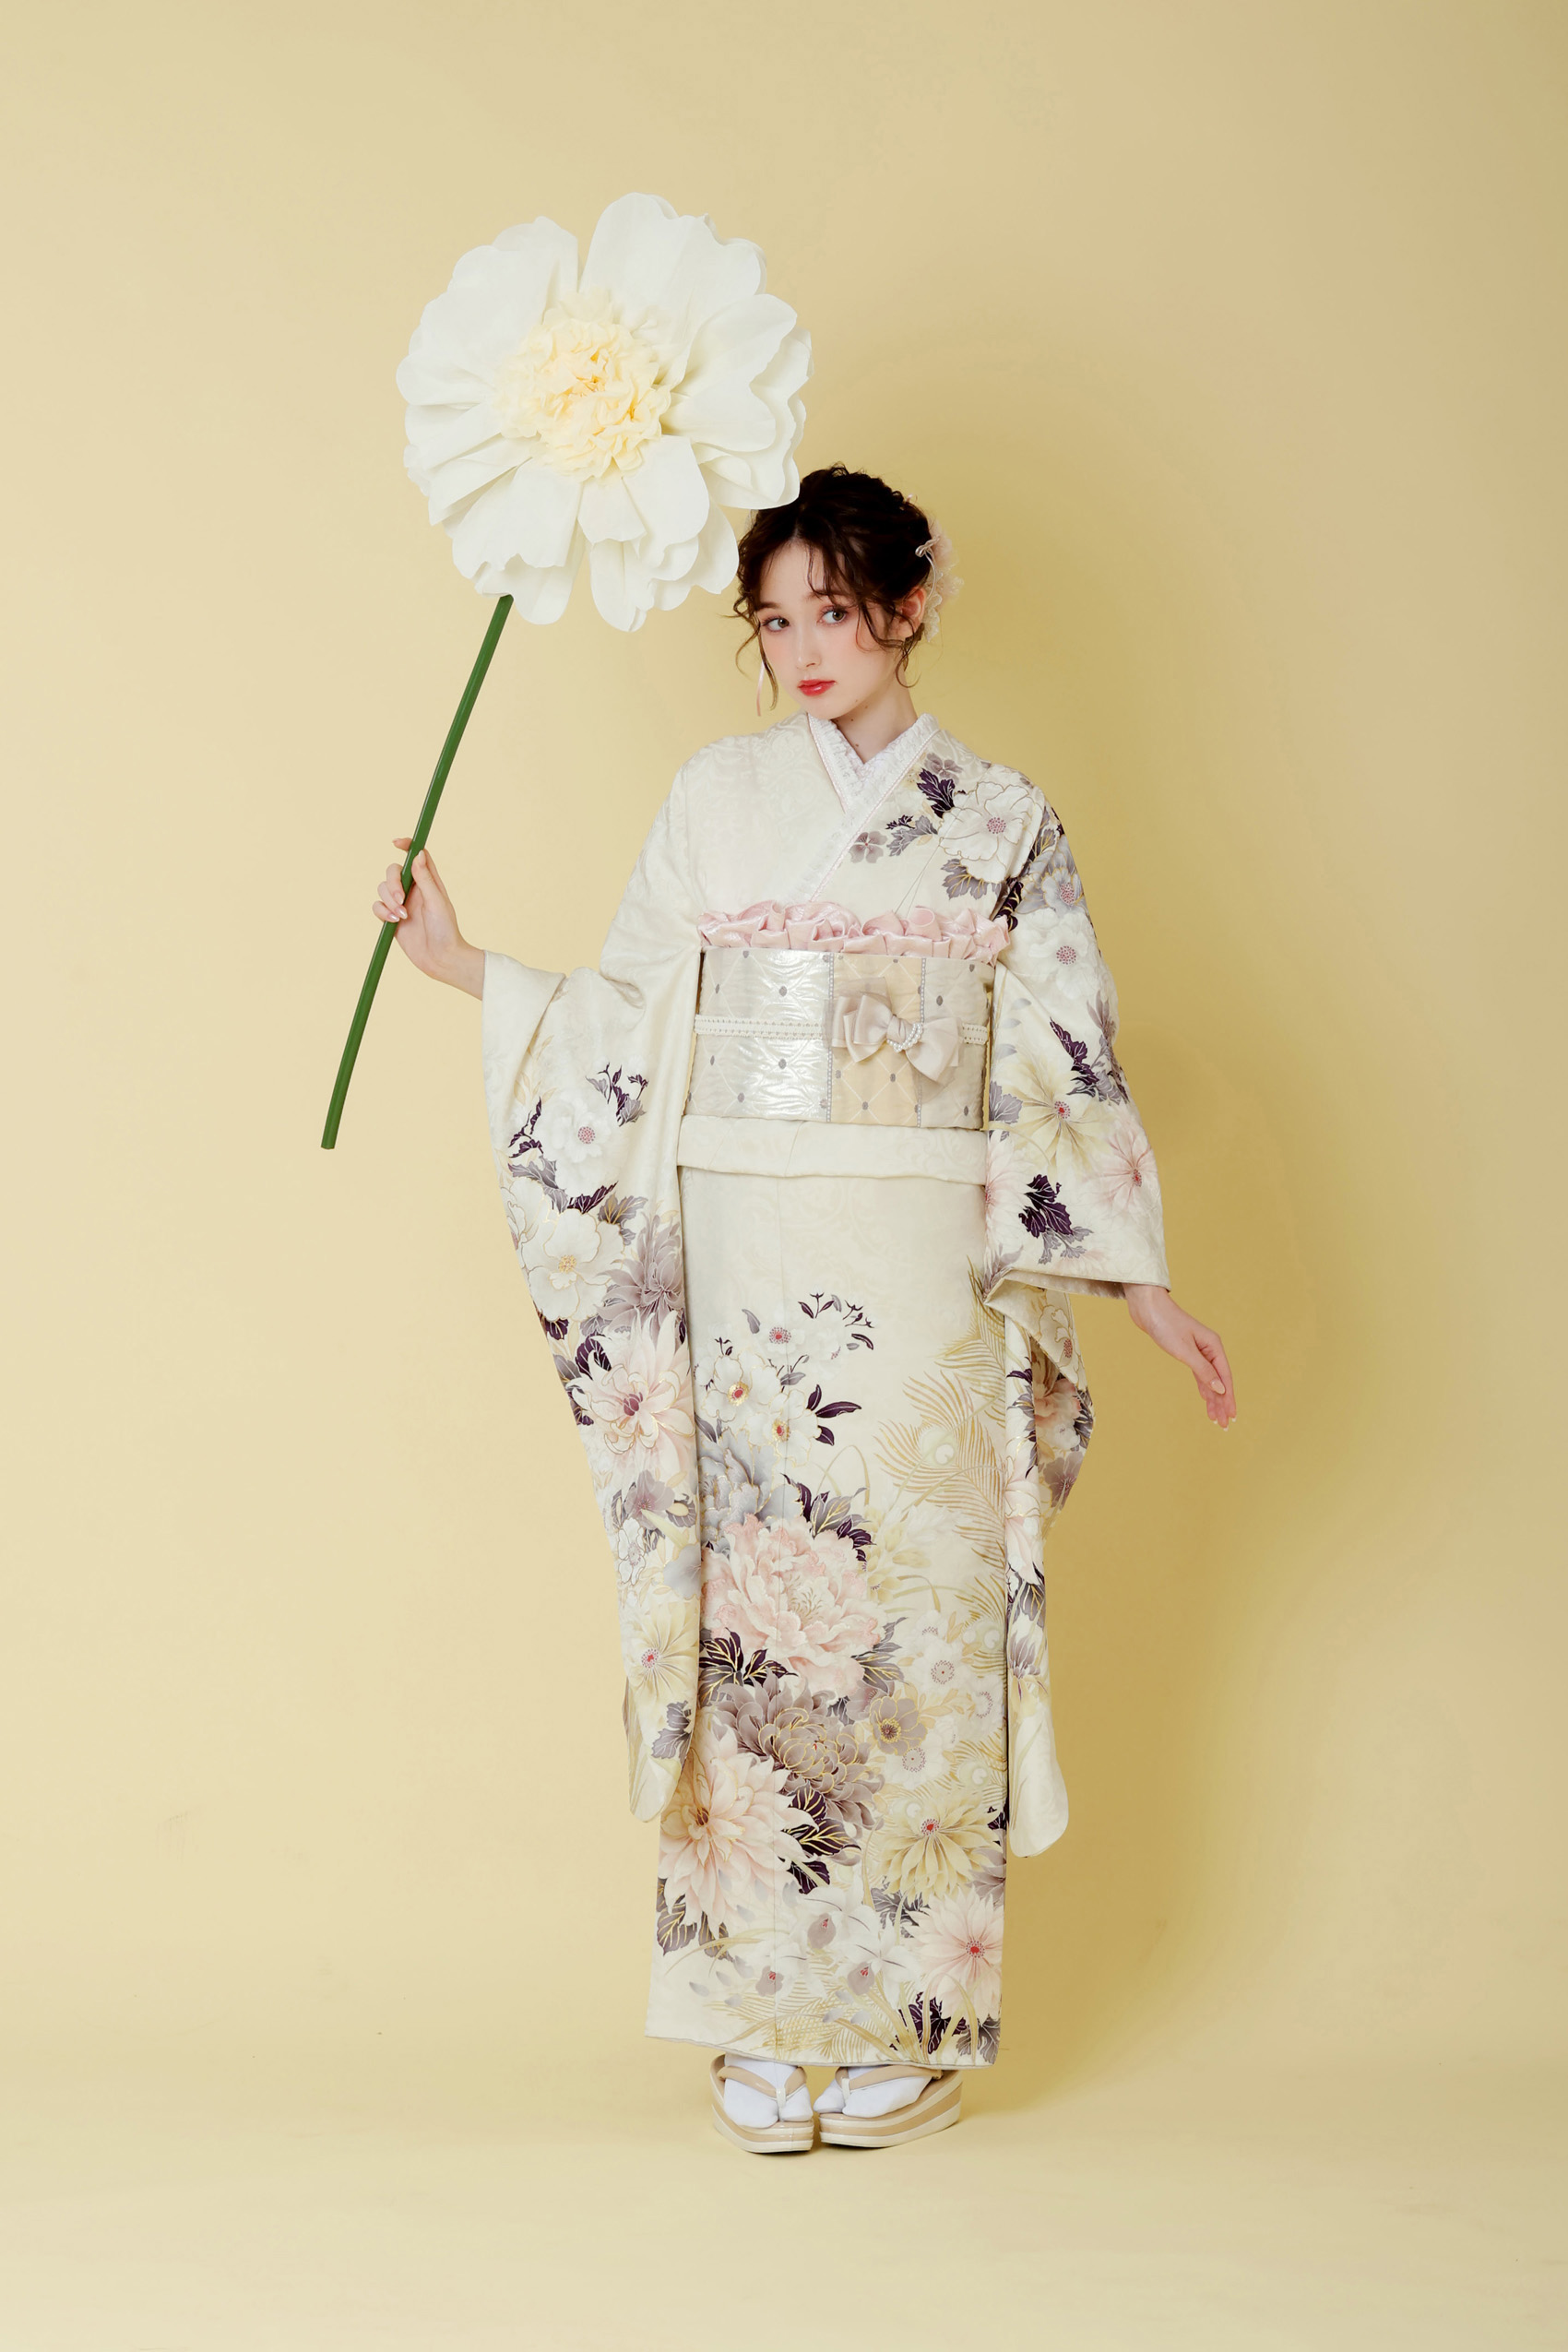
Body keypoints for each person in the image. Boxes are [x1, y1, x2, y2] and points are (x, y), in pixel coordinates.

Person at [372, 466, 1236, 2154]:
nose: (804, 649)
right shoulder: (716, 800)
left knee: (915, 1618)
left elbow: (1063, 1059)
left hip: (922, 1269)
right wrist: (466, 966)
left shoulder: (1002, 821)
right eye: (774, 622)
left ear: (909, 604)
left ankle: (905, 2020)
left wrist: (1139, 1284)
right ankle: (757, 2013)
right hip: (752, 1258)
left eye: (833, 610)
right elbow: (632, 1018)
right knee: (762, 1627)